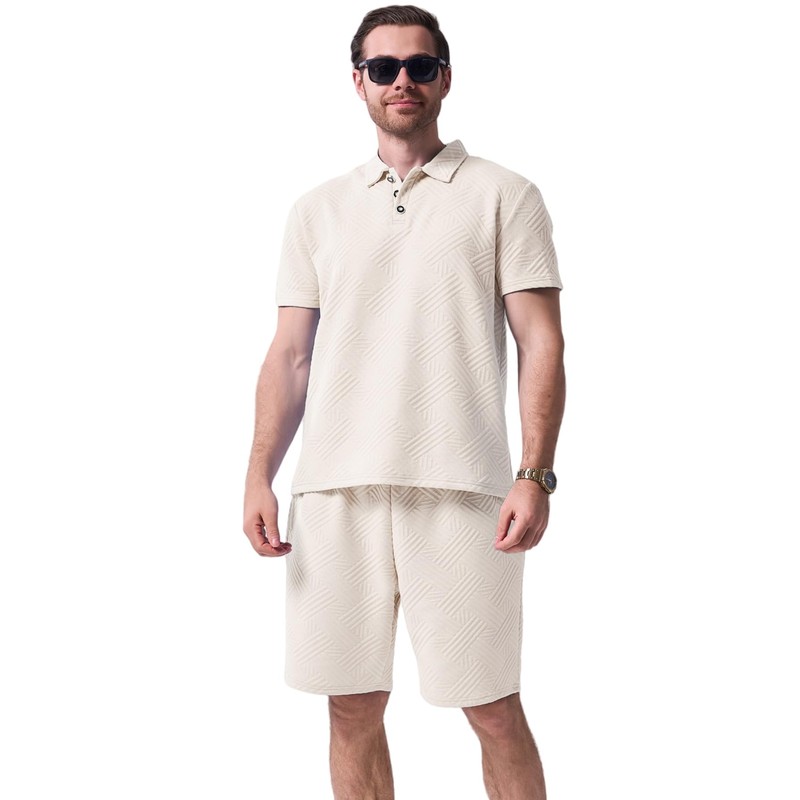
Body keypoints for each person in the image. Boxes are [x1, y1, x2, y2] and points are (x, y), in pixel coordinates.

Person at [243, 5, 565, 798]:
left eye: (420, 66)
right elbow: (289, 355)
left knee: (492, 708)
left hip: (461, 490)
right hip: (335, 491)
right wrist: (258, 475)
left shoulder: (505, 195)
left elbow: (542, 345)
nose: (402, 81)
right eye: (383, 68)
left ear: (445, 78)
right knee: (351, 707)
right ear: (358, 81)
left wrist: (535, 474)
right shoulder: (316, 210)